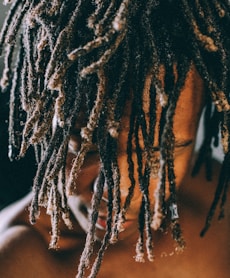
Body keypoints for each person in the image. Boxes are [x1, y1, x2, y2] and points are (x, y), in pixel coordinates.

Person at [0, 1, 229, 277]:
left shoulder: (220, 212)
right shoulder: (18, 261)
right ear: (42, 118)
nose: (116, 194)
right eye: (87, 148)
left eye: (156, 157)